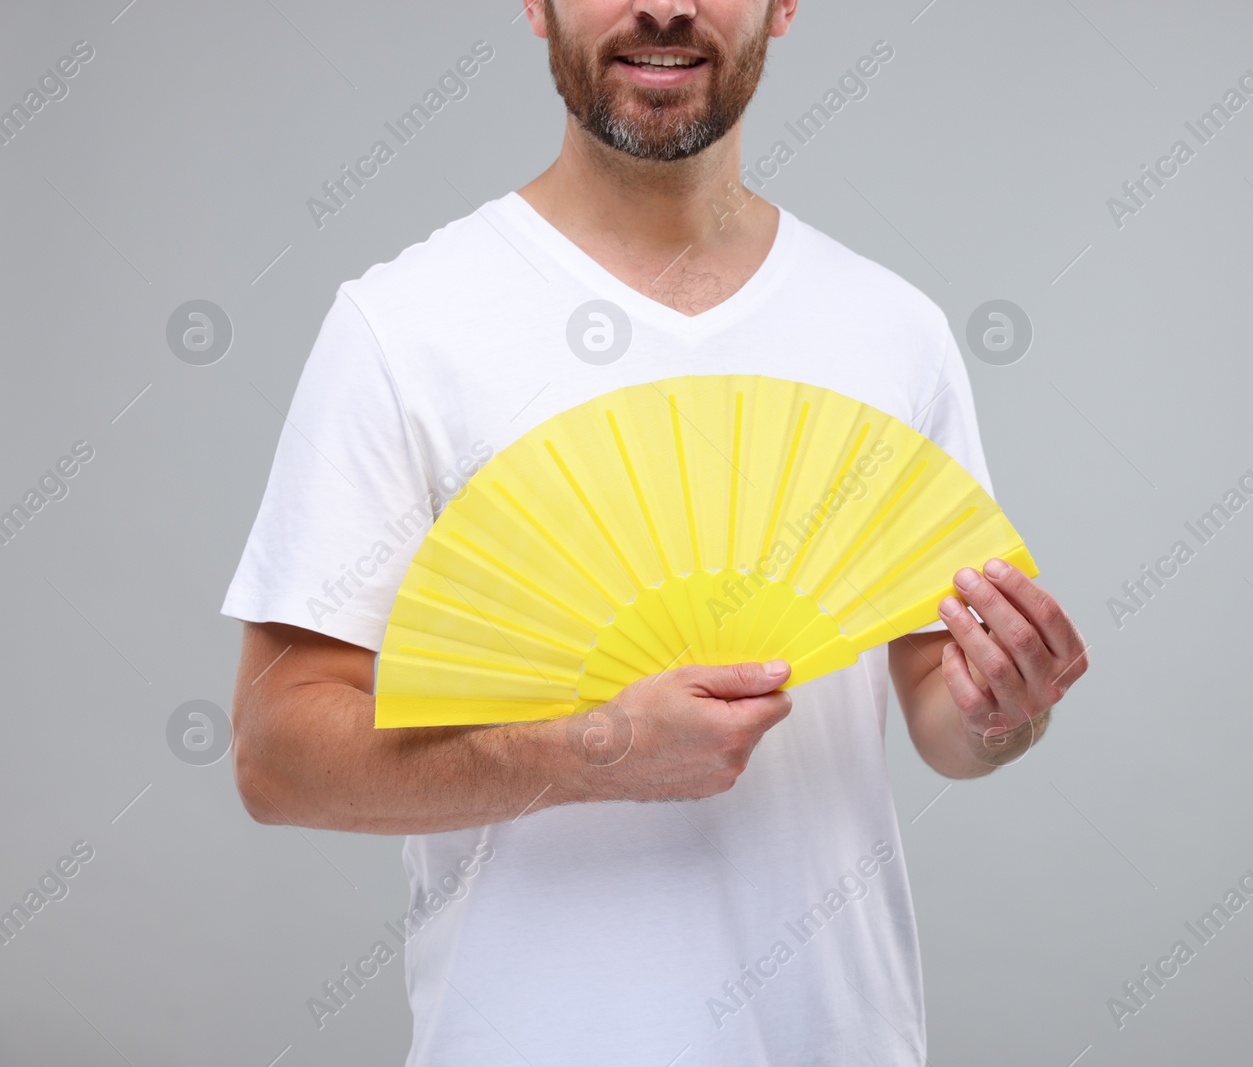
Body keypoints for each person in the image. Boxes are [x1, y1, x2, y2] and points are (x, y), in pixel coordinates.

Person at [221, 1, 1089, 1063]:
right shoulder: (405, 326)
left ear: (781, 4)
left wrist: (1004, 709)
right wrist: (594, 751)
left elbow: (941, 718)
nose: (665, 5)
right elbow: (277, 758)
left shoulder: (891, 329)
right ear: (534, 6)